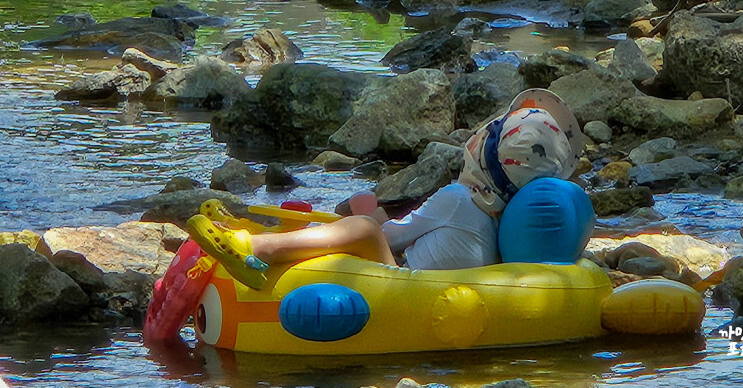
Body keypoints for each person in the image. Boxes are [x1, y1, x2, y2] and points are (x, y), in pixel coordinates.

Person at [186, 89, 583, 290]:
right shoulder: (515, 224)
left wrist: (369, 216)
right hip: (425, 281)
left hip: (399, 281)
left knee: (364, 228)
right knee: (363, 217)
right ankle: (267, 237)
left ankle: (257, 247)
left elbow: (390, 237)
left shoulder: (458, 200)